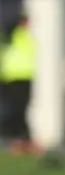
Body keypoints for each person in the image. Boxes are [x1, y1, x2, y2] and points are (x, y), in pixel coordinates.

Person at [1, 13, 38, 157]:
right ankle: (19, 140)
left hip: (24, 77)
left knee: (22, 109)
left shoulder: (24, 36)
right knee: (17, 110)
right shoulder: (13, 35)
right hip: (13, 77)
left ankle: (23, 140)